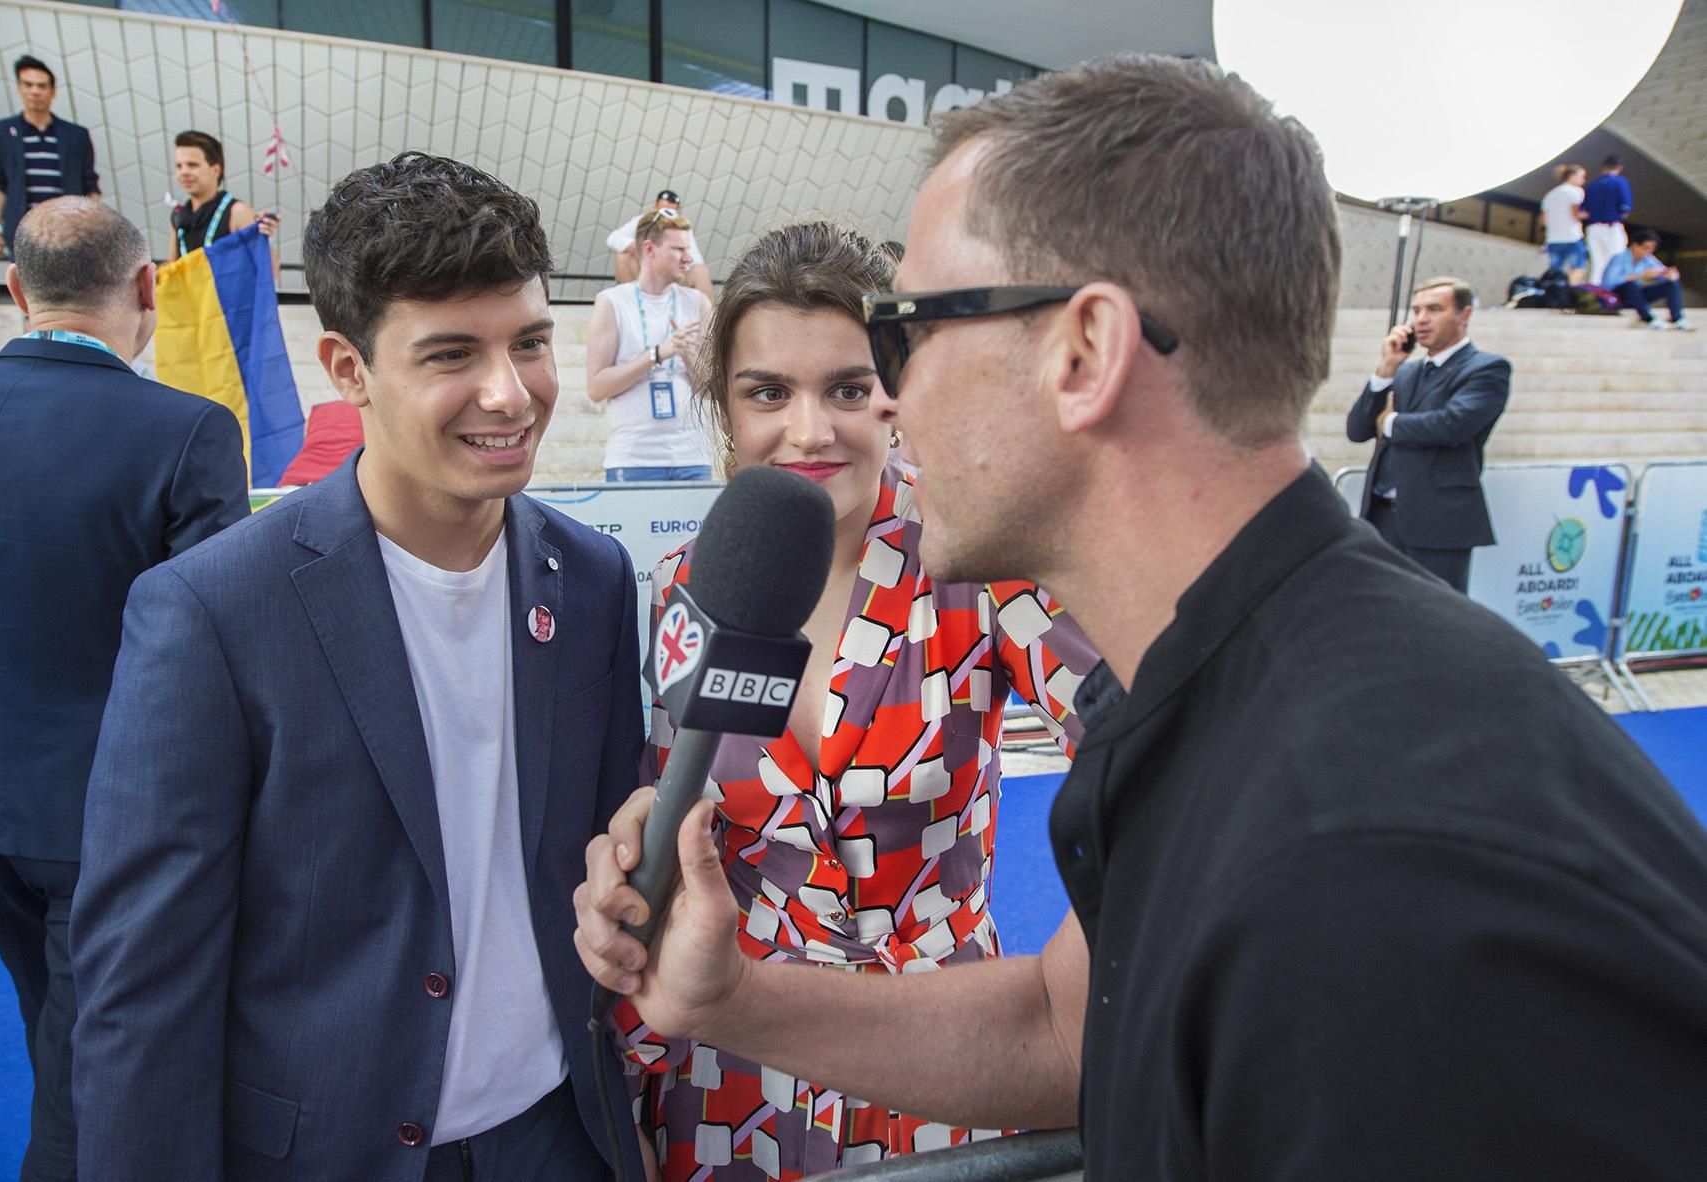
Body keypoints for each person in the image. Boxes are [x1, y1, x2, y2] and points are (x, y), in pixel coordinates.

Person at [575, 55, 1707, 1180]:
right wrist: (723, 990)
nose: (887, 403)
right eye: (772, 389)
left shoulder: (1377, 857)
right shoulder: (1239, 726)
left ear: (1084, 354)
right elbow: (1064, 1031)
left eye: (905, 339)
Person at [70, 153, 647, 1182]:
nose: (508, 393)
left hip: (562, 1137)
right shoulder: (212, 610)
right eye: (450, 355)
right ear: (346, 369)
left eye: (529, 342)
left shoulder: (594, 576)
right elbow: (143, 991)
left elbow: (601, 872)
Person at [611, 221, 1100, 1180]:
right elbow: (664, 828)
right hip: (731, 1074)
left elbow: (1158, 753)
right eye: (767, 393)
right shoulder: (685, 587)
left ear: (898, 392)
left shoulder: (977, 559)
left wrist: (1089, 997)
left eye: (846, 388)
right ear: (726, 411)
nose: (809, 429)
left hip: (936, 1057)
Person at [0, 196, 248, 1181]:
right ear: (148, 286)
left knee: (58, 1034)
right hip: (113, 821)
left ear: (16, 290)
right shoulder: (188, 429)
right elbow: (223, 653)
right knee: (92, 1078)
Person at [1345, 276, 1511, 592]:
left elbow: (1452, 425)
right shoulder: (1406, 371)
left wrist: (1391, 423)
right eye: (1417, 310)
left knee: (1438, 623)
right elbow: (1357, 430)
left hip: (1438, 522)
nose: (1421, 319)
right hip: (1381, 518)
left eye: (1434, 309)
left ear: (1464, 315)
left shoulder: (1486, 369)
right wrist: (1385, 371)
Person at [587, 210, 714, 482]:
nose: (688, 258)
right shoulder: (612, 302)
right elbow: (597, 388)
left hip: (692, 457)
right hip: (634, 459)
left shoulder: (697, 302)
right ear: (649, 249)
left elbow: (712, 389)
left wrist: (688, 352)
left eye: (687, 249)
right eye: (678, 249)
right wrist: (656, 355)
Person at [0, 54, 100, 258]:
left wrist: (95, 230)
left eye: (42, 86)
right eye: (28, 85)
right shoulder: (1, 132)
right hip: (23, 230)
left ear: (52, 91)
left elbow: (90, 185)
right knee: (26, 288)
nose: (35, 91)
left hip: (68, 231)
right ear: (19, 88)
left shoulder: (75, 135)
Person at [167, 130, 278, 273]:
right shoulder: (178, 216)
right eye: (179, 166)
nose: (184, 172)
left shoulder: (237, 212)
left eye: (192, 165)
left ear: (216, 170)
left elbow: (269, 270)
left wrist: (264, 236)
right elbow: (172, 267)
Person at [607, 188, 715, 298]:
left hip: (674, 270)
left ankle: (709, 313)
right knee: (623, 256)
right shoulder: (643, 222)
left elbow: (694, 258)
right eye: (662, 212)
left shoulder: (681, 229)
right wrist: (637, 248)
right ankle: (628, 299)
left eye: (670, 213)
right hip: (647, 272)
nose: (665, 218)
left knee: (700, 270)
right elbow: (613, 238)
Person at [1603, 227, 1696, 331]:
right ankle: (1648, 318)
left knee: (1672, 284)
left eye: (1652, 248)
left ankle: (1677, 318)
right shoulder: (1619, 258)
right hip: (1618, 295)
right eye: (1646, 248)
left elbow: (1661, 271)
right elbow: (1609, 282)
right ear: (1635, 245)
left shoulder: (1648, 259)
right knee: (1630, 286)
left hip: (1636, 295)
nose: (1648, 251)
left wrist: (1669, 275)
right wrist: (1639, 275)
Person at [1582, 154, 1633, 285]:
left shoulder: (1592, 185)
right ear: (1619, 167)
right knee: (1616, 261)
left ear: (1603, 167)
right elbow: (1625, 207)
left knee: (1597, 262)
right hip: (1611, 227)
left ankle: (1595, 293)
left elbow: (1584, 211)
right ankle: (1614, 293)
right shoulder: (1620, 182)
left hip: (1593, 228)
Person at [1538, 163, 1587, 282]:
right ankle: (1566, 291)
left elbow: (1543, 219)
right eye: (1581, 176)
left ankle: (1553, 294)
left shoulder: (1550, 194)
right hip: (1572, 237)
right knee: (1579, 267)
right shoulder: (1576, 192)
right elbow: (1576, 213)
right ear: (1571, 176)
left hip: (1553, 239)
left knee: (1555, 272)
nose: (1583, 180)